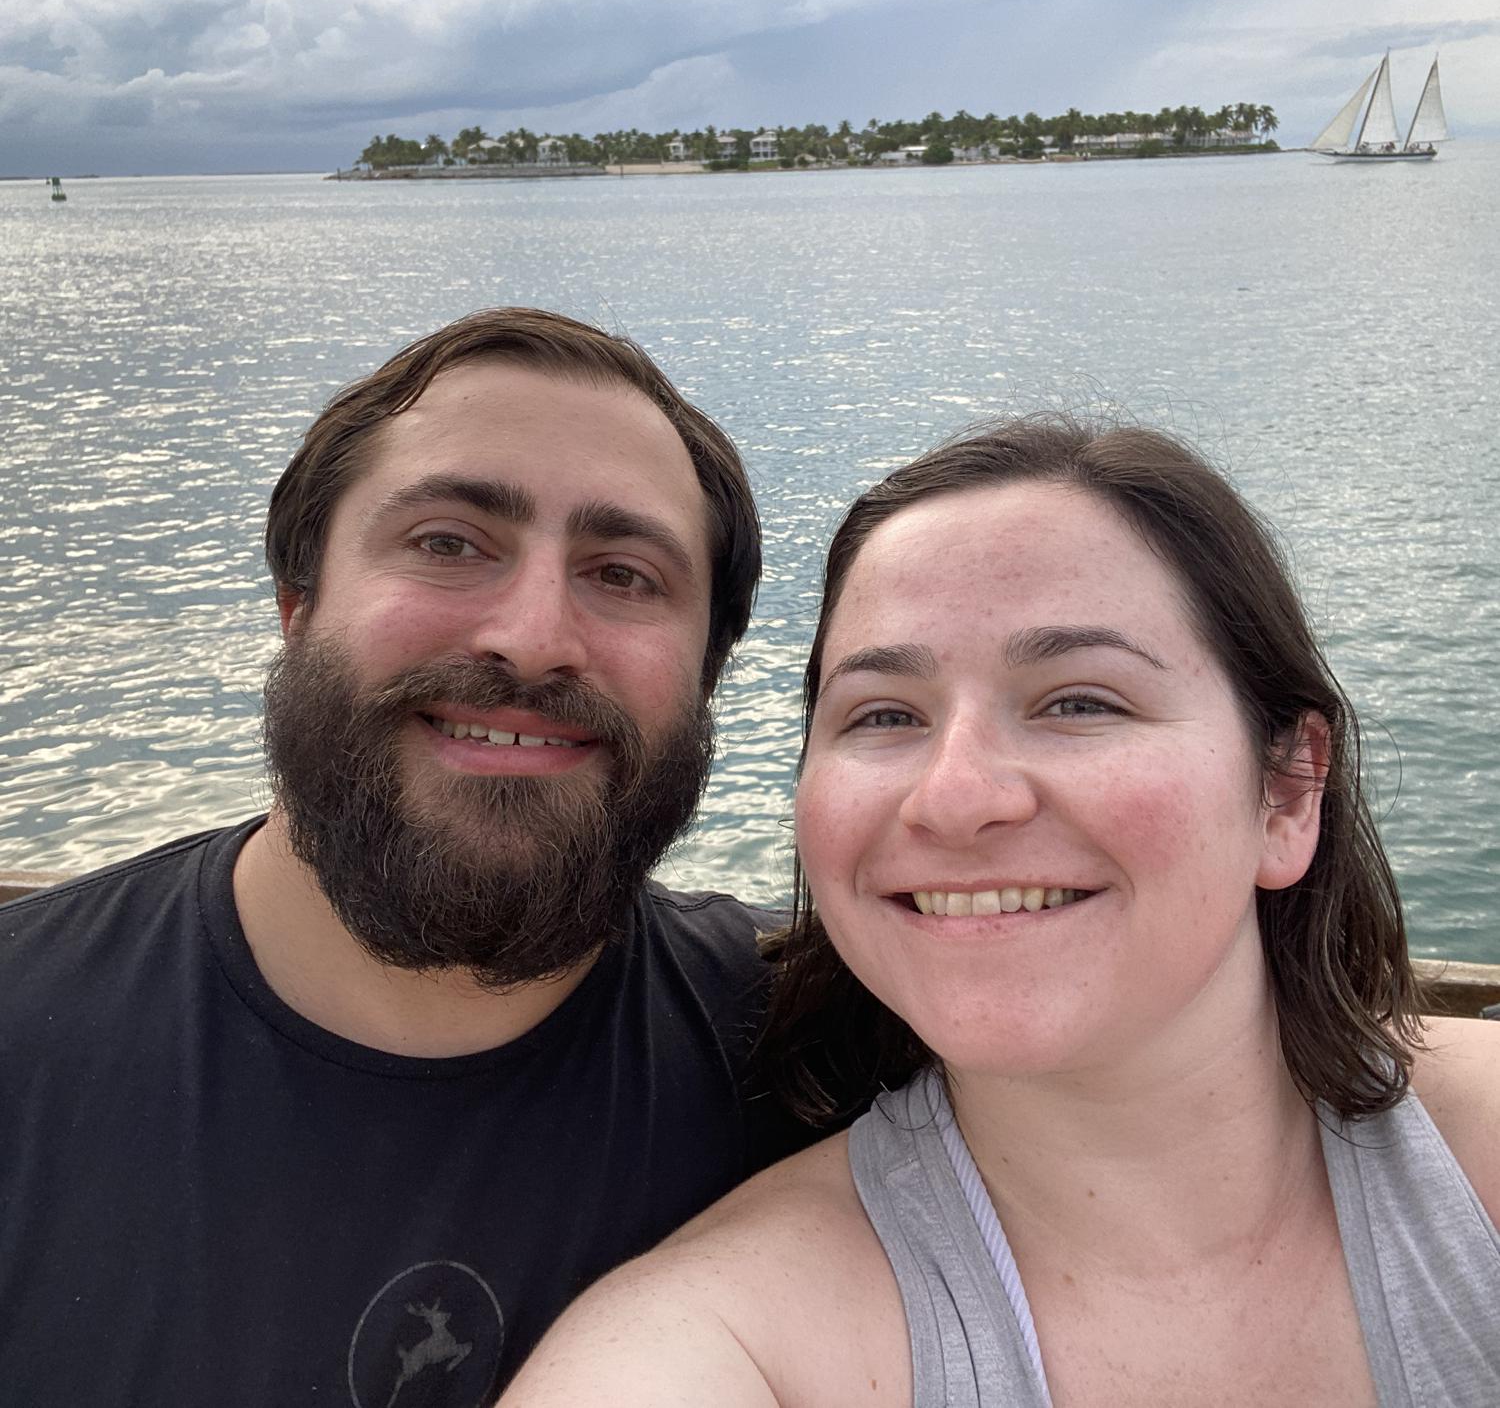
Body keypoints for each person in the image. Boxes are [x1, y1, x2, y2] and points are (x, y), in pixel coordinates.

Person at [502, 415, 1500, 1407]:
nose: (954, 795)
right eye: (884, 714)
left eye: (1080, 701)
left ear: (1286, 792)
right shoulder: (727, 1347)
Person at [0, 307, 815, 1404]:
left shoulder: (823, 1055)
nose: (532, 637)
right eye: (448, 543)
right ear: (298, 607)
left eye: (623, 574)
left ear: (705, 676)